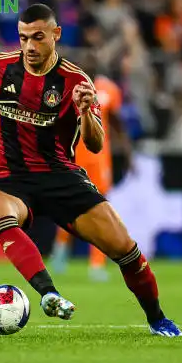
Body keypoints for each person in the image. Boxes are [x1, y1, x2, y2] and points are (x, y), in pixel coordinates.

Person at [0, 4, 182, 337]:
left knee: (125, 249)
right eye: (24, 37)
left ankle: (158, 319)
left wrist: (85, 113)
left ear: (56, 34)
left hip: (61, 178)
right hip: (9, 178)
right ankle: (48, 293)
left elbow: (95, 143)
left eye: (38, 37)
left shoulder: (75, 81)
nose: (29, 46)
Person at [50, 59, 131, 282]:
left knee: (101, 209)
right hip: (73, 157)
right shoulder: (65, 89)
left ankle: (97, 264)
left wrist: (128, 151)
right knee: (69, 208)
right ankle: (60, 251)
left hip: (99, 159)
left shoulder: (108, 90)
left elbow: (116, 121)